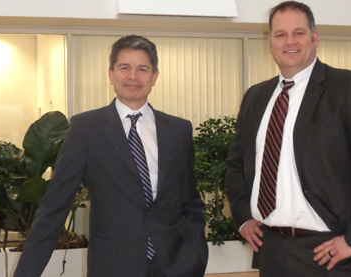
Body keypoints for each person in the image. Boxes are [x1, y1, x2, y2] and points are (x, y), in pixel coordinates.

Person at [14, 35, 208, 277]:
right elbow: (54, 206)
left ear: (154, 77)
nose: (133, 76)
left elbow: (189, 199)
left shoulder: (178, 130)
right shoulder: (86, 128)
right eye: (124, 67)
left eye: (142, 69)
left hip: (175, 264)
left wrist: (195, 251)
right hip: (113, 265)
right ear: (111, 74)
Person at [225, 1, 351, 276]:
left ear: (315, 39)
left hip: (330, 253)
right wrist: (242, 217)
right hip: (272, 250)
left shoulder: (348, 87)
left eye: (299, 33)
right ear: (271, 43)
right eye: (280, 34)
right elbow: (236, 164)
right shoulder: (256, 97)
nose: (290, 41)